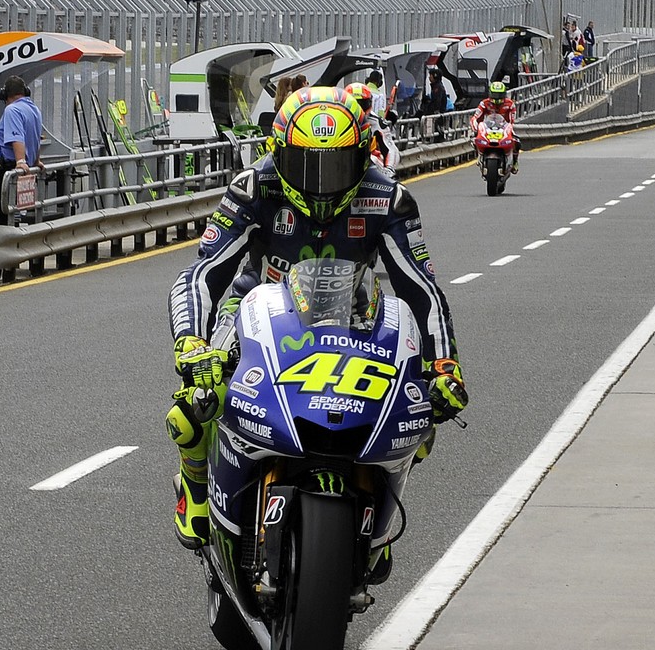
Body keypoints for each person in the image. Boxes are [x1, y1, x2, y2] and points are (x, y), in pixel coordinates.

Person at [165, 86, 468, 564]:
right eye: (307, 166)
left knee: (422, 413)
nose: (321, 183)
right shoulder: (255, 187)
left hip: (356, 312)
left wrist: (445, 365)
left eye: (335, 166)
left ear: (361, 156)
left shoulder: (388, 197)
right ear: (279, 154)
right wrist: (191, 344)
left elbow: (421, 288)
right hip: (255, 306)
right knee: (195, 402)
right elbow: (202, 273)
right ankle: (197, 486)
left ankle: (376, 499)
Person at [0, 75, 44, 230]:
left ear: (5, 95)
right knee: (10, 212)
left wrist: (20, 162)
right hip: (15, 167)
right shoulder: (33, 109)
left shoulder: (12, 110)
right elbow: (36, 137)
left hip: (4, 169)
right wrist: (35, 160)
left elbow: (17, 138)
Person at [470, 79, 520, 172]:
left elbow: (511, 120)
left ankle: (515, 161)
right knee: (473, 138)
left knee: (517, 141)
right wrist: (475, 128)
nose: (497, 97)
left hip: (504, 126)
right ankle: (479, 155)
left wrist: (509, 128)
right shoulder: (484, 103)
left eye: (499, 95)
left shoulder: (510, 104)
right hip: (489, 126)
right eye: (495, 94)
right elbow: (476, 117)